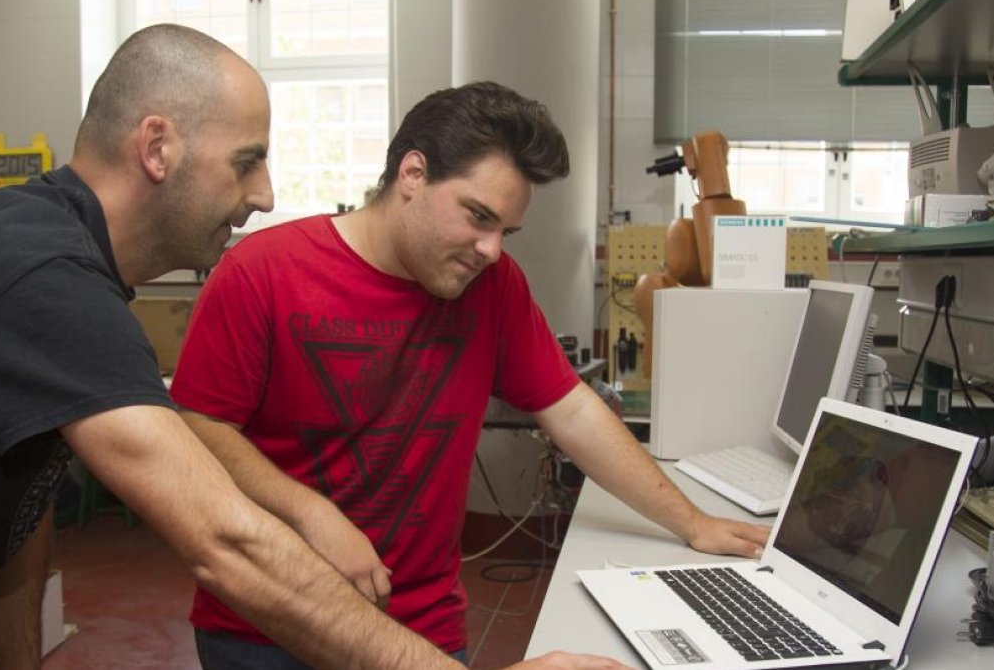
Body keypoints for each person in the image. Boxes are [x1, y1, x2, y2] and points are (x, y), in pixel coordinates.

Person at [0, 25, 626, 670]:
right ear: (157, 147)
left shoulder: (58, 259)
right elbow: (228, 540)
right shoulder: (41, 275)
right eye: (245, 160)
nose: (264, 194)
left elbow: (20, 501)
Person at [171, 81, 772, 668]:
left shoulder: (494, 285)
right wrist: (311, 515)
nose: (491, 249)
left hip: (420, 624)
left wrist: (693, 523)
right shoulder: (261, 273)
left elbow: (572, 410)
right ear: (412, 175)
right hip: (269, 625)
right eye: (478, 216)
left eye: (505, 231)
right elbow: (200, 427)